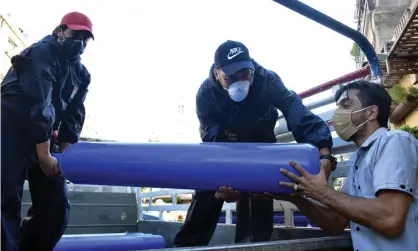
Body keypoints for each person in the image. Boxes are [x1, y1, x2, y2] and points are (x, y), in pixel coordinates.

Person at [173, 40, 336, 247]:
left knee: (259, 196)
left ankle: (252, 245)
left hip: (261, 144)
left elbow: (295, 111)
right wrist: (223, 182)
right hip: (225, 146)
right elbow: (213, 139)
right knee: (206, 193)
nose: (240, 81)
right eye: (231, 76)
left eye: (245, 74)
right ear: (217, 73)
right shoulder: (206, 94)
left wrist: (324, 153)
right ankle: (186, 246)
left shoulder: (267, 80)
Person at [239, 80, 416, 250]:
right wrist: (295, 197)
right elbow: (335, 222)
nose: (338, 113)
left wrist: (321, 192)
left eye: (346, 105)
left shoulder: (394, 141)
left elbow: (390, 219)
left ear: (371, 113)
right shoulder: (359, 158)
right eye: (338, 107)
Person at [1, 12, 94, 251]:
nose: (80, 42)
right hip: (10, 127)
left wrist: (65, 155)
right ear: (60, 31)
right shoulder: (41, 52)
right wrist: (43, 155)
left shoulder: (81, 74)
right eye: (75, 34)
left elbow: (75, 114)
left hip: (43, 134)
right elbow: (39, 101)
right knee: (5, 200)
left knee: (56, 209)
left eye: (85, 38)